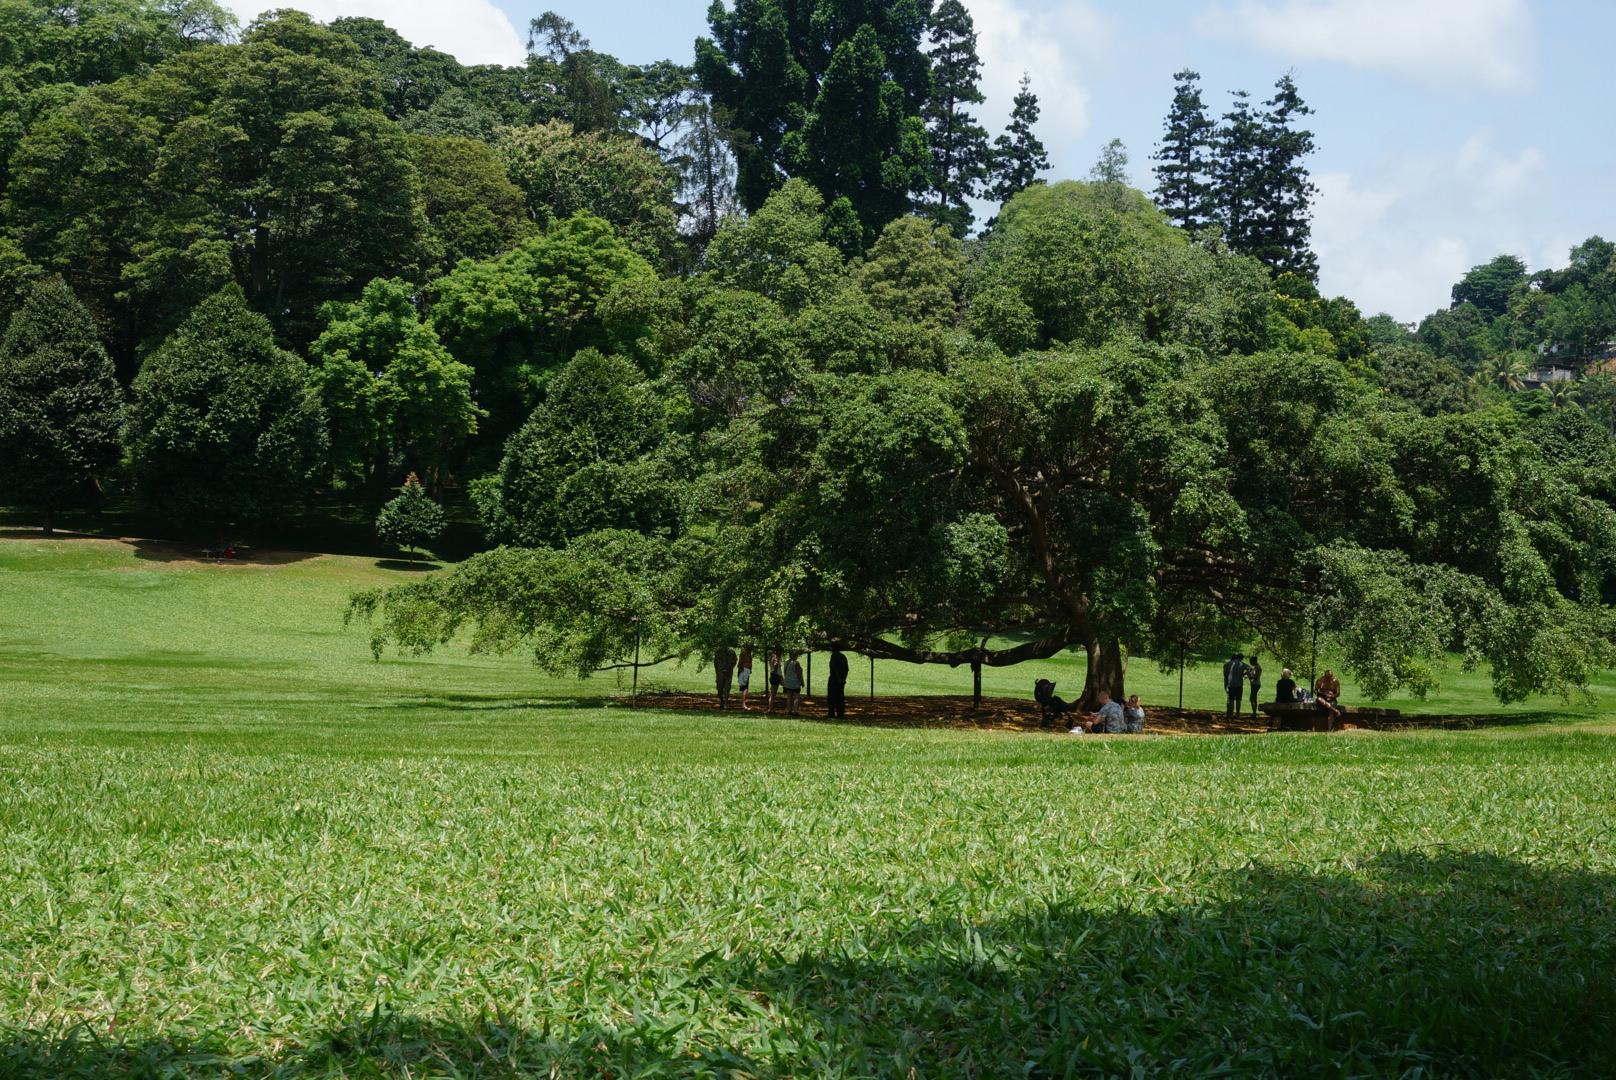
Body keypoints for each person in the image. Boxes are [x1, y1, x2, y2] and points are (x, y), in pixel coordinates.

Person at [1222, 652, 1249, 717]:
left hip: (1231, 683)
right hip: (1239, 684)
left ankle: (1230, 713)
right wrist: (1244, 674)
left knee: (1230, 699)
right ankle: (1237, 714)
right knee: (1238, 700)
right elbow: (1250, 668)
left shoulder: (1228, 664)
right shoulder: (1241, 664)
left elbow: (1225, 674)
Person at [826, 649, 849, 718]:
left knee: (832, 696)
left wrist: (838, 678)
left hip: (834, 679)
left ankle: (831, 713)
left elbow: (834, 668)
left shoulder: (834, 656)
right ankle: (840, 713)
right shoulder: (843, 656)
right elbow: (847, 669)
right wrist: (843, 679)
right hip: (842, 679)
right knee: (840, 696)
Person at [714, 645, 737, 710]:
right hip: (720, 673)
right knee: (719, 688)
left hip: (728, 674)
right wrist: (717, 672)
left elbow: (734, 661)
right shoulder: (718, 652)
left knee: (727, 688)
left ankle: (726, 704)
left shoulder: (732, 652)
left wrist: (730, 670)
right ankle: (721, 702)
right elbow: (715, 663)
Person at [782, 651, 804, 716]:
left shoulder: (786, 663)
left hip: (788, 682)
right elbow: (799, 673)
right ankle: (795, 711)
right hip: (795, 682)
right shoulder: (796, 663)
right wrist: (802, 682)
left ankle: (789, 711)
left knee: (789, 696)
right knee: (796, 696)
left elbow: (785, 672)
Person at [736, 646, 753, 710]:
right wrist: (743, 671)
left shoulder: (748, 654)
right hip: (743, 671)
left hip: (747, 671)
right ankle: (742, 705)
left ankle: (744, 703)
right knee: (744, 689)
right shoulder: (743, 654)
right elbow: (740, 664)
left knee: (746, 688)